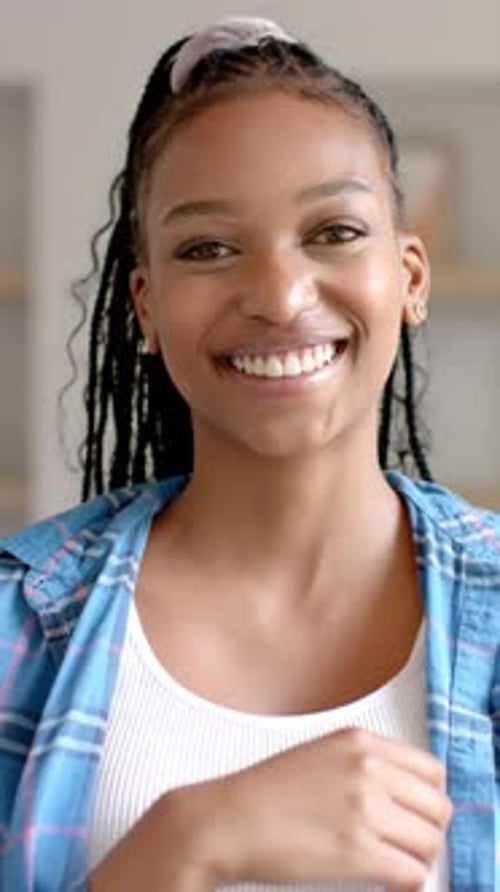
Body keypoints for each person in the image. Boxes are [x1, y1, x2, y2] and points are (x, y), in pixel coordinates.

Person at [1, 15, 499, 892]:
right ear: (147, 309)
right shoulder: (18, 626)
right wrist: (188, 842)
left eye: (334, 232)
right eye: (208, 248)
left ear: (410, 276)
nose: (278, 294)